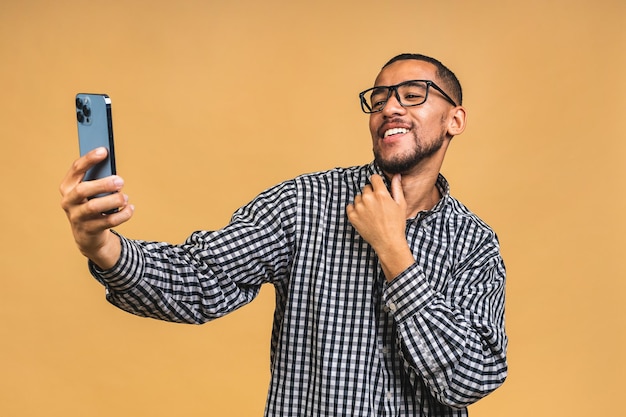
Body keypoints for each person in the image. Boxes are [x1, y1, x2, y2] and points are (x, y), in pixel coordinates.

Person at [60, 53, 507, 416]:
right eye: (379, 99)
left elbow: (470, 379)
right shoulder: (303, 204)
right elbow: (200, 281)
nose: (390, 107)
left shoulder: (474, 243)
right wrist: (102, 247)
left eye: (413, 95)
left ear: (455, 120)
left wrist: (394, 252)